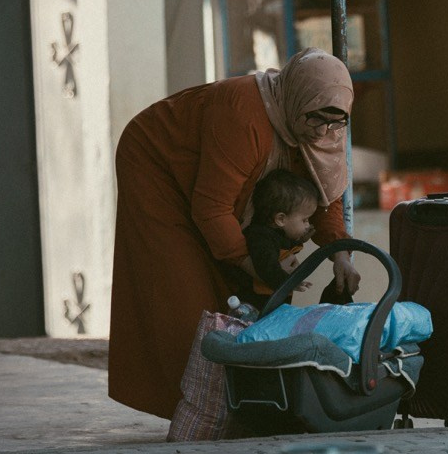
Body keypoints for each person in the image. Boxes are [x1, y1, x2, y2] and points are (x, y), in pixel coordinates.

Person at [108, 47, 361, 420]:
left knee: (240, 296)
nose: (323, 133)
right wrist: (251, 264)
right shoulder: (244, 116)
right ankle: (200, 411)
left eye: (334, 124)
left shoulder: (322, 119)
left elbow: (325, 192)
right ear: (298, 99)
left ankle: (239, 405)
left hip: (211, 188)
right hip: (157, 163)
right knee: (185, 294)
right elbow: (211, 208)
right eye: (317, 121)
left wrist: (341, 252)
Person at [239, 168, 321, 305]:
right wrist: (289, 283)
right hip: (257, 306)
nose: (308, 225)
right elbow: (267, 267)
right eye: (305, 220)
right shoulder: (261, 238)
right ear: (281, 219)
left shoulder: (277, 233)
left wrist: (300, 240)